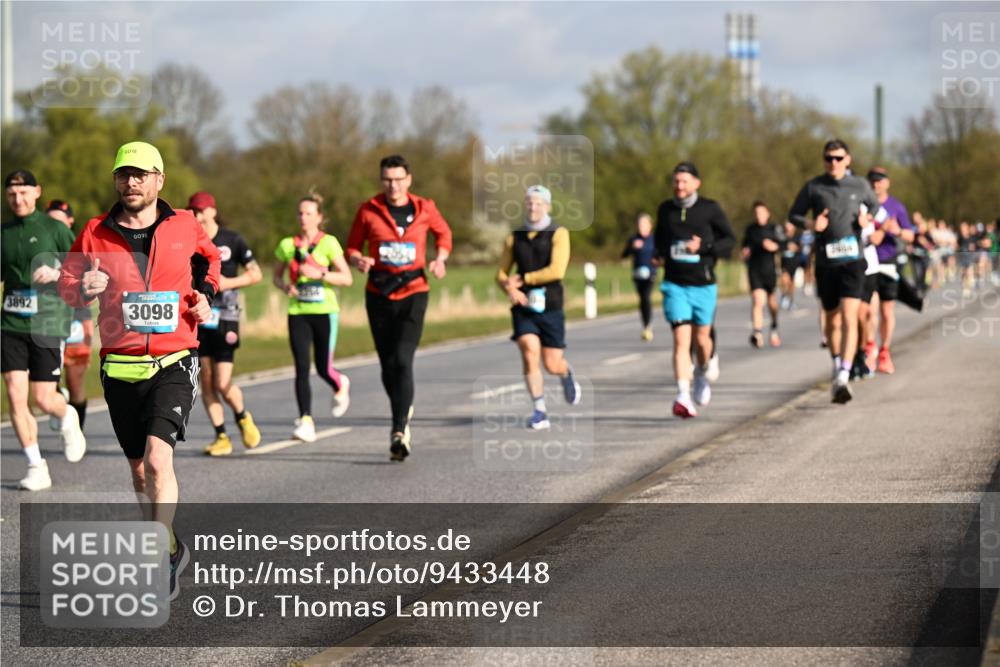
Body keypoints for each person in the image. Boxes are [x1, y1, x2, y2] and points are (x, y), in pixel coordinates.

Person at [58, 141, 221, 600]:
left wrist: (205, 291)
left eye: (140, 174)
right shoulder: (94, 232)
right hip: (120, 365)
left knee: (156, 459)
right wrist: (81, 287)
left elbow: (212, 259)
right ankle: (169, 546)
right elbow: (68, 285)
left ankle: (153, 555)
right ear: (115, 180)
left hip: (173, 359)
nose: (131, 182)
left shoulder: (184, 226)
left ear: (159, 180)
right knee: (137, 473)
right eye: (123, 174)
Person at [346, 155, 452, 461]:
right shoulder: (368, 210)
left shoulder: (425, 208)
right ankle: (403, 407)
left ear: (409, 180)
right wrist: (357, 259)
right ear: (382, 181)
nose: (393, 185)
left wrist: (440, 258)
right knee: (387, 365)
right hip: (378, 292)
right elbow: (352, 246)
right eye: (387, 179)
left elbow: (444, 234)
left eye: (398, 179)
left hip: (413, 291)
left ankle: (399, 429)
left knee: (403, 360)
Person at [2, 171, 87, 491]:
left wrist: (56, 272)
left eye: (24, 193)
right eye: (11, 194)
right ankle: (36, 465)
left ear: (37, 192)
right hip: (10, 322)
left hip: (48, 322)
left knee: (43, 399)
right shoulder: (4, 233)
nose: (18, 199)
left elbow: (85, 264)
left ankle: (67, 418)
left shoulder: (55, 229)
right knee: (14, 392)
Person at [788, 139, 879, 404]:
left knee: (850, 316)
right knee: (832, 319)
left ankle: (843, 374)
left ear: (848, 160)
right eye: (829, 158)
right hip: (826, 261)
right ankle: (837, 361)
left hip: (853, 259)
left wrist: (867, 219)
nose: (834, 163)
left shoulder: (859, 185)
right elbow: (794, 215)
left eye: (839, 158)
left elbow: (874, 206)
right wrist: (810, 223)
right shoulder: (814, 186)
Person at [654, 161, 735, 418]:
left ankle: (701, 373)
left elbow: (729, 241)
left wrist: (704, 247)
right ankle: (682, 396)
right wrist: (658, 255)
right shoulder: (665, 210)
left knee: (702, 340)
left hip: (703, 284)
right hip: (675, 285)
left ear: (696, 183)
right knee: (681, 340)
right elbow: (659, 241)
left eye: (684, 181)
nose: (679, 186)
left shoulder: (709, 209)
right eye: (676, 181)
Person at [497, 185, 582, 430]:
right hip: (523, 306)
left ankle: (566, 374)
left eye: (538, 203)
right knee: (528, 349)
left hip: (551, 304)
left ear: (547, 206)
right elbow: (502, 272)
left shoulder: (559, 233)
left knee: (551, 363)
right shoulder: (515, 236)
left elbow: (557, 270)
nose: (533, 207)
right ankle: (539, 409)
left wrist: (523, 280)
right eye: (530, 203)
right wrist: (508, 287)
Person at [273, 193, 352, 443]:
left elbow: (347, 278)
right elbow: (276, 277)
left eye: (308, 213)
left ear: (319, 217)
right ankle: (306, 420)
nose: (303, 218)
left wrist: (320, 273)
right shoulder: (287, 245)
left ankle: (340, 383)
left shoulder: (329, 243)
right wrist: (285, 287)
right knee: (301, 367)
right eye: (300, 213)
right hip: (298, 312)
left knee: (323, 367)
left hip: (324, 312)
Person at [188, 192, 263, 456]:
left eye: (199, 211)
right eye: (192, 211)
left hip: (226, 316)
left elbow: (256, 274)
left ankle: (242, 416)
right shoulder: (188, 240)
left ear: (212, 211)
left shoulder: (233, 240)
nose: (196, 216)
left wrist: (224, 283)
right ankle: (221, 436)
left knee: (222, 381)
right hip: (199, 317)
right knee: (206, 382)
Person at [862, 167, 914, 374]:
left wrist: (897, 230)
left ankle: (884, 351)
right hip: (867, 262)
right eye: (873, 181)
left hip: (888, 261)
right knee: (869, 310)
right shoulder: (863, 205)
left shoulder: (896, 206)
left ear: (887, 183)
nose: (876, 184)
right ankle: (870, 348)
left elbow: (910, 235)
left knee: (886, 311)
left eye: (880, 181)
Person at [46, 199, 93, 429]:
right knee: (45, 382)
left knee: (75, 381)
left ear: (70, 221)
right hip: (47, 321)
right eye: (50, 219)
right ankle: (59, 400)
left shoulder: (79, 244)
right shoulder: (39, 245)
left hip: (76, 320)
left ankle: (78, 431)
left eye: (60, 219)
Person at [741, 200, 782, 348]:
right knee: (758, 300)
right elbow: (744, 246)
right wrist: (745, 252)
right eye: (756, 213)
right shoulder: (750, 230)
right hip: (754, 270)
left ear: (767, 213)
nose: (759, 215)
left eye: (761, 212)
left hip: (769, 270)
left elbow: (784, 244)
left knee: (771, 302)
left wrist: (774, 246)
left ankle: (774, 326)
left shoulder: (774, 228)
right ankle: (757, 333)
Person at [622, 213, 657, 341]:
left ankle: (648, 326)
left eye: (644, 224)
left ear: (650, 225)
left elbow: (659, 255)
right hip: (637, 275)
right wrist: (632, 248)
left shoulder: (654, 239)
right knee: (642, 300)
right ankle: (645, 324)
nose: (641, 226)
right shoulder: (633, 239)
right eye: (639, 224)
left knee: (646, 298)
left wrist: (656, 260)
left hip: (650, 274)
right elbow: (624, 255)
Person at [779, 221, 800, 311]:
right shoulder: (782, 238)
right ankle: (784, 295)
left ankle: (791, 300)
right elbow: (778, 248)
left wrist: (796, 248)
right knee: (784, 280)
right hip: (785, 264)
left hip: (794, 264)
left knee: (791, 284)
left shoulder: (797, 238)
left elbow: (802, 249)